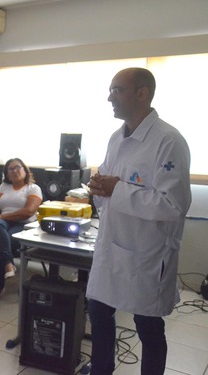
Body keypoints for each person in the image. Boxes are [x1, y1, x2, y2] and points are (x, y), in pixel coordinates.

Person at [86, 68, 191, 375]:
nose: (109, 98)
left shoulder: (169, 141)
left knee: (148, 326)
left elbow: (173, 205)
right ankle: (101, 370)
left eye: (117, 90)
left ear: (142, 94)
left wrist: (116, 189)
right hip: (111, 249)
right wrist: (99, 189)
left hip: (146, 253)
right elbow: (106, 186)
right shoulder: (115, 139)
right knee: (99, 313)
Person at [0, 157, 42, 301]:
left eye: (18, 167)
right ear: (7, 174)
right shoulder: (4, 186)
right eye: (11, 169)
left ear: (25, 169)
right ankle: (8, 264)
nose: (15, 171)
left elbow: (28, 212)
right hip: (3, 224)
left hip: (23, 225)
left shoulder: (33, 188)